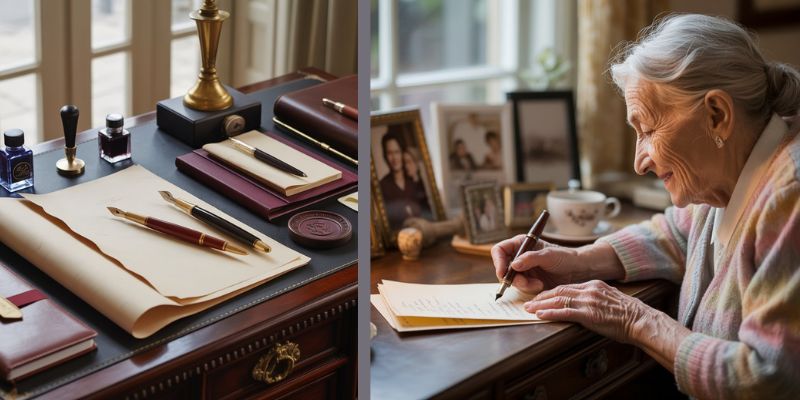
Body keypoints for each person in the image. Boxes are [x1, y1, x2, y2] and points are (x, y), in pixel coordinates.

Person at [491, 14, 800, 399]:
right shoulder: (731, 173)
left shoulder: (790, 196)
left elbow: (766, 378)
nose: (640, 161)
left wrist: (635, 318)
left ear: (717, 115)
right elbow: (678, 232)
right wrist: (576, 261)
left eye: (649, 130)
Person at [378, 130, 431, 230]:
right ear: (385, 156)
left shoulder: (414, 180)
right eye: (389, 153)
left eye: (397, 152)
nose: (394, 158)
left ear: (402, 153)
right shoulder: (382, 186)